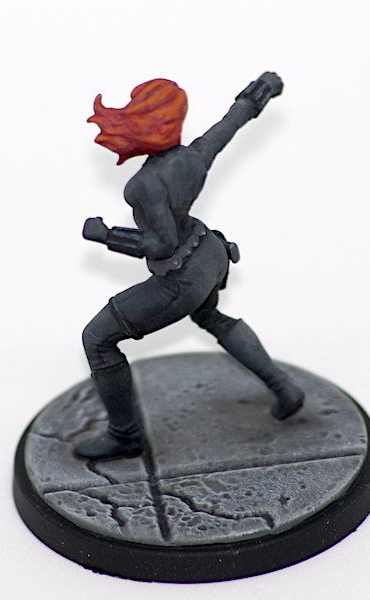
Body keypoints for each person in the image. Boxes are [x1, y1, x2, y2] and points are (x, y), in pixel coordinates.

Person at [74, 73, 304, 461]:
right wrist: (258, 93)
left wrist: (107, 235)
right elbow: (232, 122)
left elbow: (161, 243)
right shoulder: (195, 155)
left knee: (97, 339)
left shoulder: (144, 185)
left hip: (179, 277)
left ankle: (124, 435)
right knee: (211, 317)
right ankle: (285, 387)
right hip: (209, 252)